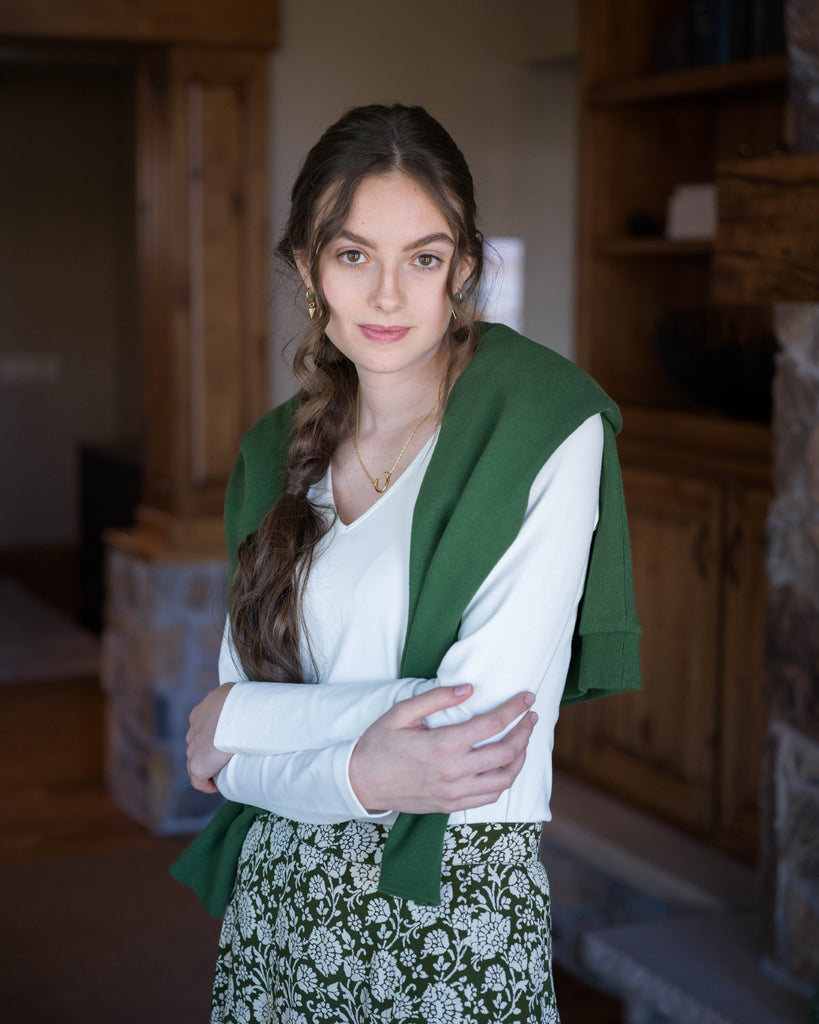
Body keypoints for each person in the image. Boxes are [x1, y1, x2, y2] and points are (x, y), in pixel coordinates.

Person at [173, 103, 641, 1024]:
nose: (388, 297)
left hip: (446, 913)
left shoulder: (542, 422)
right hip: (276, 908)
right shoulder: (271, 452)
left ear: (462, 269)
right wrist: (339, 758)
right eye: (353, 256)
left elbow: (469, 737)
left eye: (422, 259)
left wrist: (253, 723)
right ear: (308, 270)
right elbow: (217, 762)